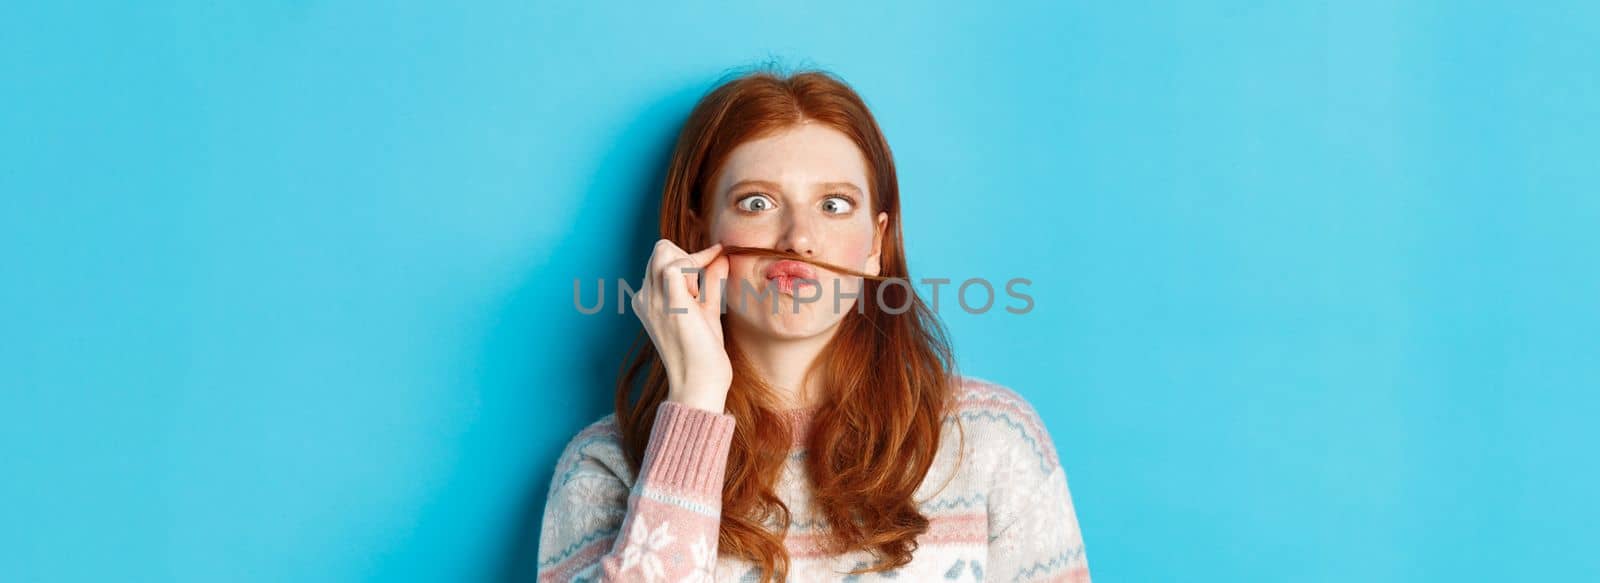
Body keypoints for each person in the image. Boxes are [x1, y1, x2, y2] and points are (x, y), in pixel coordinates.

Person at [538, 69, 1090, 582]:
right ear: (695, 234)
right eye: (757, 202)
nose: (798, 238)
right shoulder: (603, 467)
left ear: (876, 244)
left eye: (833, 204)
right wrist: (696, 401)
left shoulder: (996, 441)